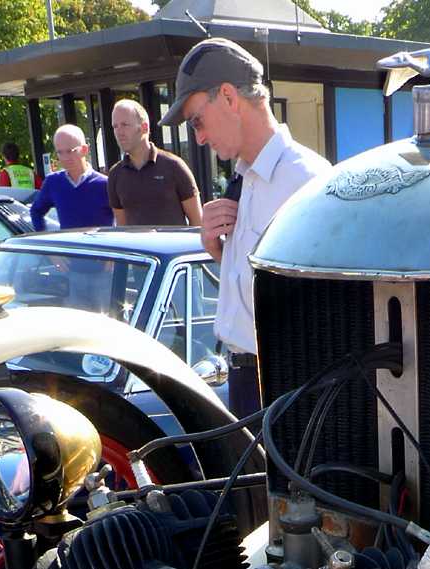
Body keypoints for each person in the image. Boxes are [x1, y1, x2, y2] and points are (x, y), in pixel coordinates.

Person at [159, 37, 331, 417]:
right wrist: (220, 253)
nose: (199, 137)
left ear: (228, 97)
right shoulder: (246, 178)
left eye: (197, 121)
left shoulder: (306, 181)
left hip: (286, 380)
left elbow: (323, 310)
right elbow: (263, 292)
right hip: (249, 377)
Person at [108, 98, 202, 227]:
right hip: (136, 247)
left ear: (144, 127)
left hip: (174, 246)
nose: (119, 132)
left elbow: (197, 222)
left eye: (125, 125)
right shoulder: (115, 175)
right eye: (115, 126)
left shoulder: (174, 166)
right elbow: (122, 228)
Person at [29, 125, 113, 230]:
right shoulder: (53, 182)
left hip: (99, 245)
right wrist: (43, 238)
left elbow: (122, 217)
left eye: (69, 151)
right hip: (69, 246)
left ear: (84, 150)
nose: (65, 158)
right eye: (60, 152)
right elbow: (36, 211)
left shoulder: (104, 184)